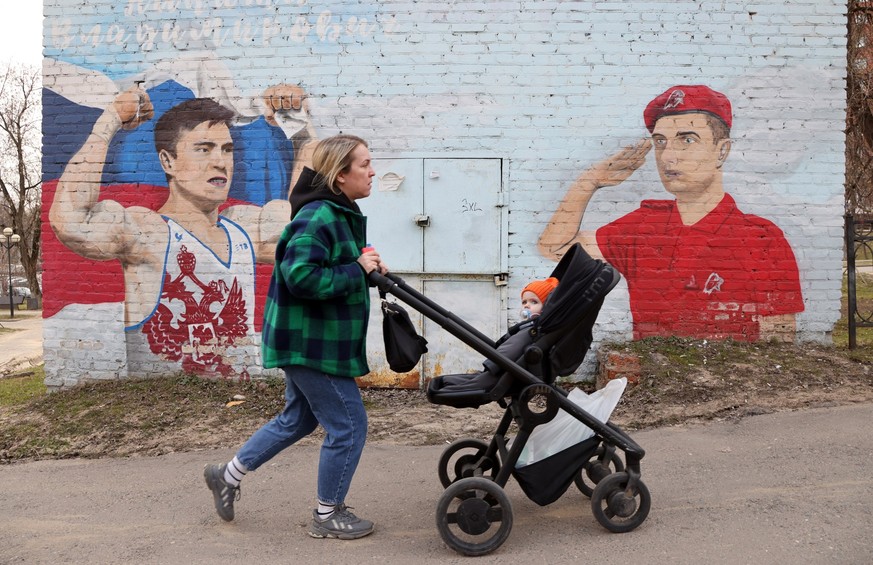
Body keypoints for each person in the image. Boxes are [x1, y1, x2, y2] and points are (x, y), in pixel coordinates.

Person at [49, 87, 308, 376]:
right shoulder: (151, 233)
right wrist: (109, 121)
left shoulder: (244, 230)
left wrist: (299, 128)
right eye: (203, 149)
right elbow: (72, 221)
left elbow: (307, 225)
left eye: (227, 149)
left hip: (240, 411)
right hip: (166, 414)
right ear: (168, 161)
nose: (220, 162)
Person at [204, 134, 387, 540]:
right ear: (341, 175)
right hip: (310, 344)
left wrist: (365, 262)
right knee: (350, 426)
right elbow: (301, 276)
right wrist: (356, 268)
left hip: (311, 340)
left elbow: (333, 263)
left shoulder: (338, 213)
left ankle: (227, 476)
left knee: (298, 418)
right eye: (365, 164)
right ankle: (327, 514)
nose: (372, 171)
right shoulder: (318, 215)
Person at [538, 85, 803, 342]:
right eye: (660, 142)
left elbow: (778, 335)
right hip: (654, 372)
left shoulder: (761, 238)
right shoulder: (645, 225)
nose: (667, 157)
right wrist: (589, 182)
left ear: (721, 151)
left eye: (687, 140)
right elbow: (557, 247)